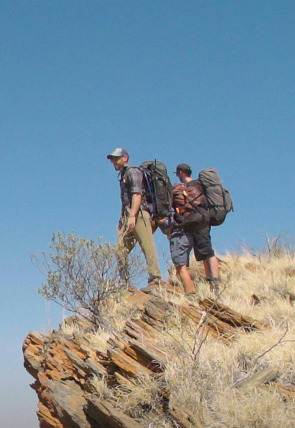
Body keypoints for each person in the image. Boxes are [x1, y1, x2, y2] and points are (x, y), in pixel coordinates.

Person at [107, 148, 162, 288]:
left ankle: (155, 279)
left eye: (116, 158)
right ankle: (125, 284)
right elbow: (125, 201)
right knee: (120, 251)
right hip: (129, 217)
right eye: (112, 159)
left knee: (147, 245)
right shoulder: (123, 175)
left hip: (139, 214)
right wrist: (122, 222)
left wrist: (132, 216)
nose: (114, 161)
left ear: (125, 158)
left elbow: (137, 194)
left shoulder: (133, 171)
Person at [174, 163, 220, 293]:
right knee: (204, 251)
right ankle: (211, 281)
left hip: (199, 221)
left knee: (207, 251)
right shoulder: (198, 185)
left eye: (178, 174)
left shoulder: (191, 186)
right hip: (203, 220)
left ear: (181, 173)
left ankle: (215, 282)